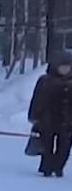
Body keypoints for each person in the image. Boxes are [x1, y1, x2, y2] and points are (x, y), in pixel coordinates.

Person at [28, 49, 72, 177]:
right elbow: (37, 99)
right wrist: (34, 115)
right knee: (46, 145)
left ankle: (58, 167)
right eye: (62, 67)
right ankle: (47, 167)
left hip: (67, 120)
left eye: (67, 67)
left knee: (64, 147)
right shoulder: (45, 81)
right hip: (47, 119)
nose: (65, 70)